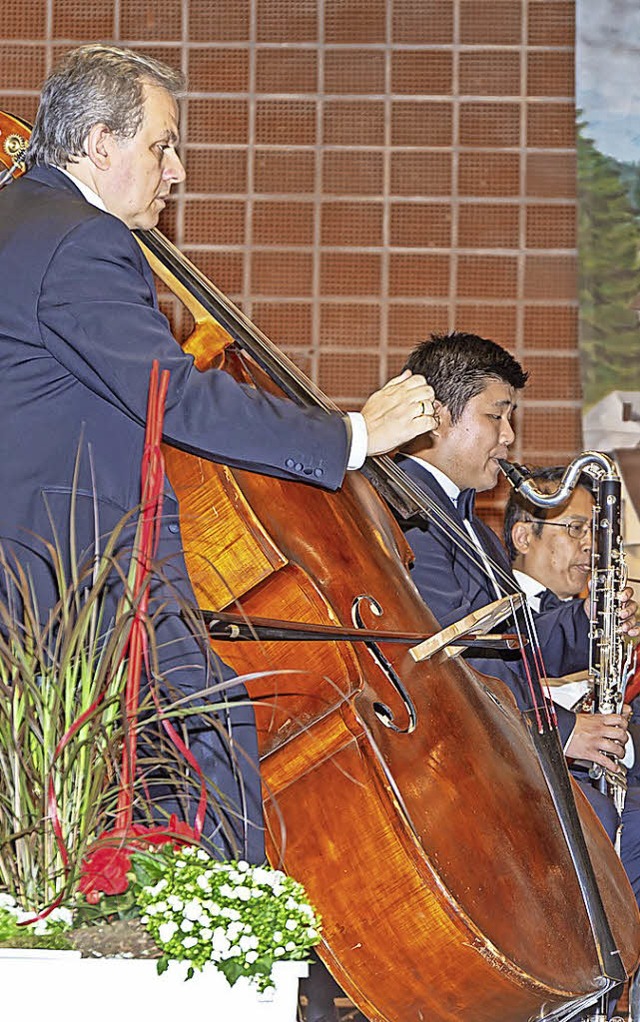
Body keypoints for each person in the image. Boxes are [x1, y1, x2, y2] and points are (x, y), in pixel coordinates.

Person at [0, 43, 437, 865]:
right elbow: (180, 398)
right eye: (161, 145)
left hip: (33, 587)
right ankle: (225, 951)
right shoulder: (81, 240)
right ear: (100, 144)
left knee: (94, 804)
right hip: (87, 584)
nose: (175, 170)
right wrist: (353, 436)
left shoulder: (17, 227)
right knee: (206, 734)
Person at [394, 331, 640, 908]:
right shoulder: (406, 513)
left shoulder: (470, 525)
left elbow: (519, 643)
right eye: (495, 416)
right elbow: (456, 655)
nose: (509, 437)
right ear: (436, 416)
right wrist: (558, 727)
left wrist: (595, 623)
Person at [505, 463, 640, 781]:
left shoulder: (599, 620)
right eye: (576, 528)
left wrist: (620, 738)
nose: (591, 545)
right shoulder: (493, 611)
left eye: (594, 531)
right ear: (524, 537)